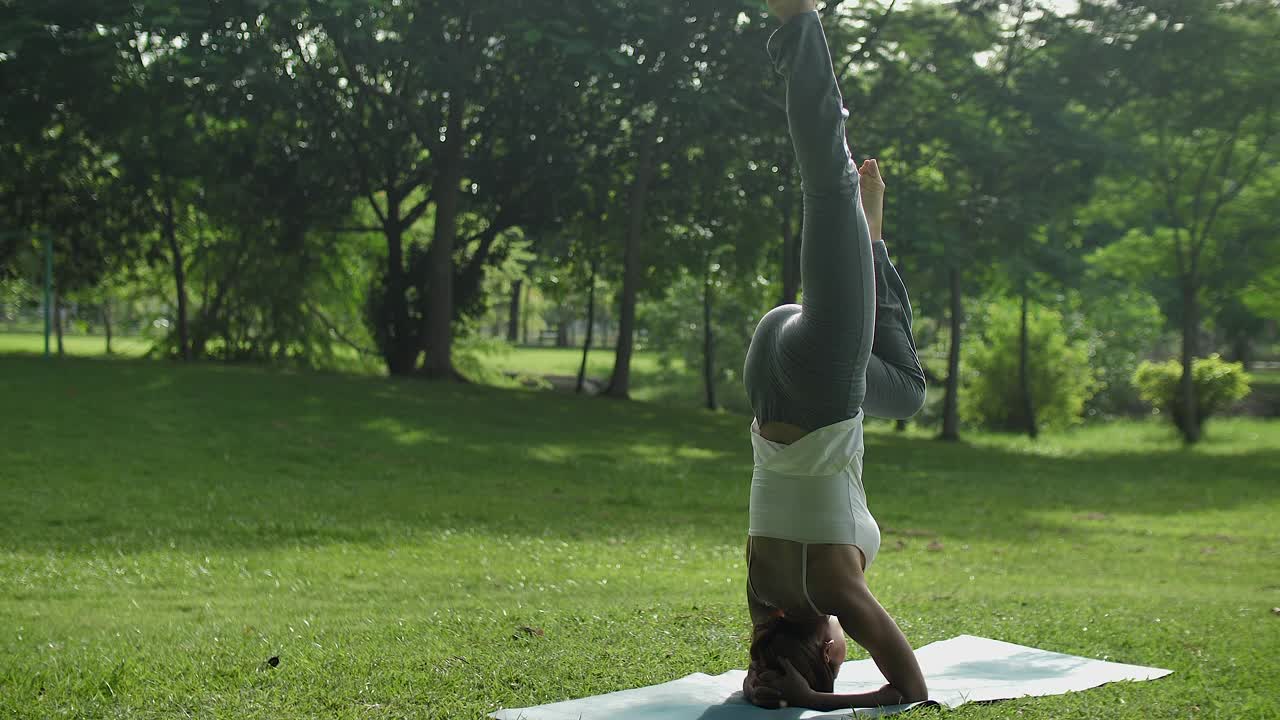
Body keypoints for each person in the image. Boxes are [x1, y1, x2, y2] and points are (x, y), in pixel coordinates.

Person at [740, 0, 930, 711]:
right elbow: (768, 654)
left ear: (829, 649)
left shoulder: (835, 597)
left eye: (840, 661)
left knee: (830, 185)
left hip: (816, 378)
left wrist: (817, 703)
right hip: (770, 386)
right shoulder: (765, 595)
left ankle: (797, 24)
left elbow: (911, 691)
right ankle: (870, 251)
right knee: (906, 393)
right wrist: (774, 687)